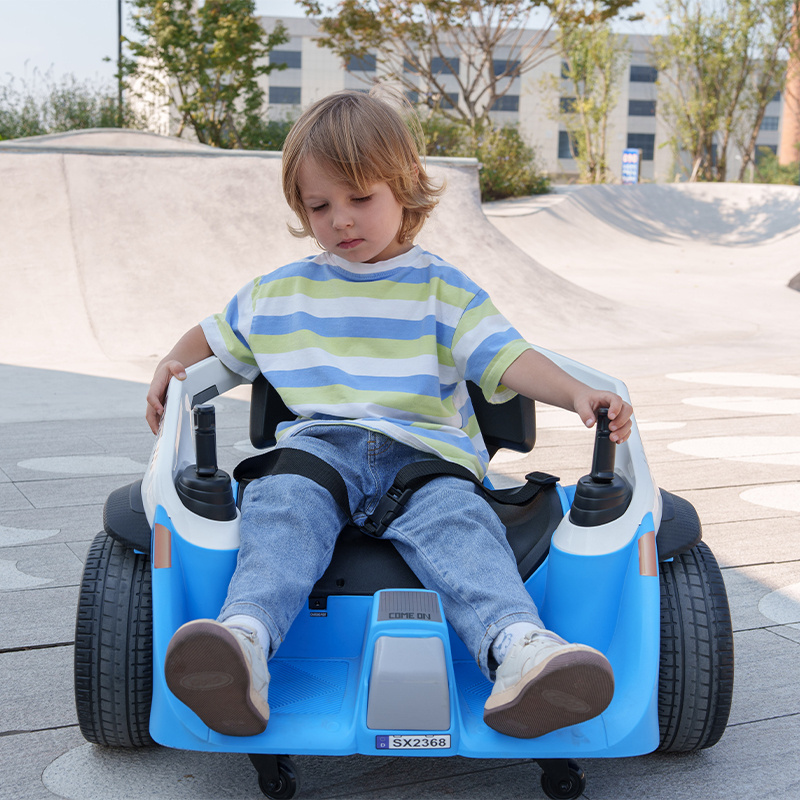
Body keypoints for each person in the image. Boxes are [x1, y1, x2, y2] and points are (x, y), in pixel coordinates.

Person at [146, 88, 633, 741]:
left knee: (465, 531)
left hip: (425, 463)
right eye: (319, 206)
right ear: (301, 209)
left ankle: (521, 653)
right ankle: (243, 649)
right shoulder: (278, 293)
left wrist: (576, 393)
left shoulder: (442, 288)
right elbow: (213, 336)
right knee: (281, 513)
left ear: (403, 189)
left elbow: (507, 357)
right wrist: (170, 367)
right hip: (318, 454)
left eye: (360, 199)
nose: (341, 220)